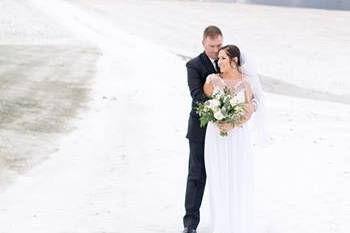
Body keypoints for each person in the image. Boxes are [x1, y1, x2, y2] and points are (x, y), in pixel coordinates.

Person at [203, 44, 257, 233]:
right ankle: (221, 225)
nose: (219, 62)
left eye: (223, 58)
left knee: (237, 175)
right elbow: (206, 105)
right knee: (218, 177)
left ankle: (236, 224)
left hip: (237, 136)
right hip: (216, 135)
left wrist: (232, 123)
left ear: (234, 61)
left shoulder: (246, 83)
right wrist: (217, 117)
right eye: (218, 58)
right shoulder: (212, 80)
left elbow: (249, 111)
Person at [183, 25, 223, 233]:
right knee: (197, 175)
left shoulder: (228, 61)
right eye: (212, 46)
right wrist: (218, 109)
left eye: (219, 45)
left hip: (224, 131)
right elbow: (196, 94)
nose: (216, 50)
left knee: (223, 174)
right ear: (203, 43)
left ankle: (225, 220)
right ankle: (190, 224)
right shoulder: (193, 65)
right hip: (200, 129)